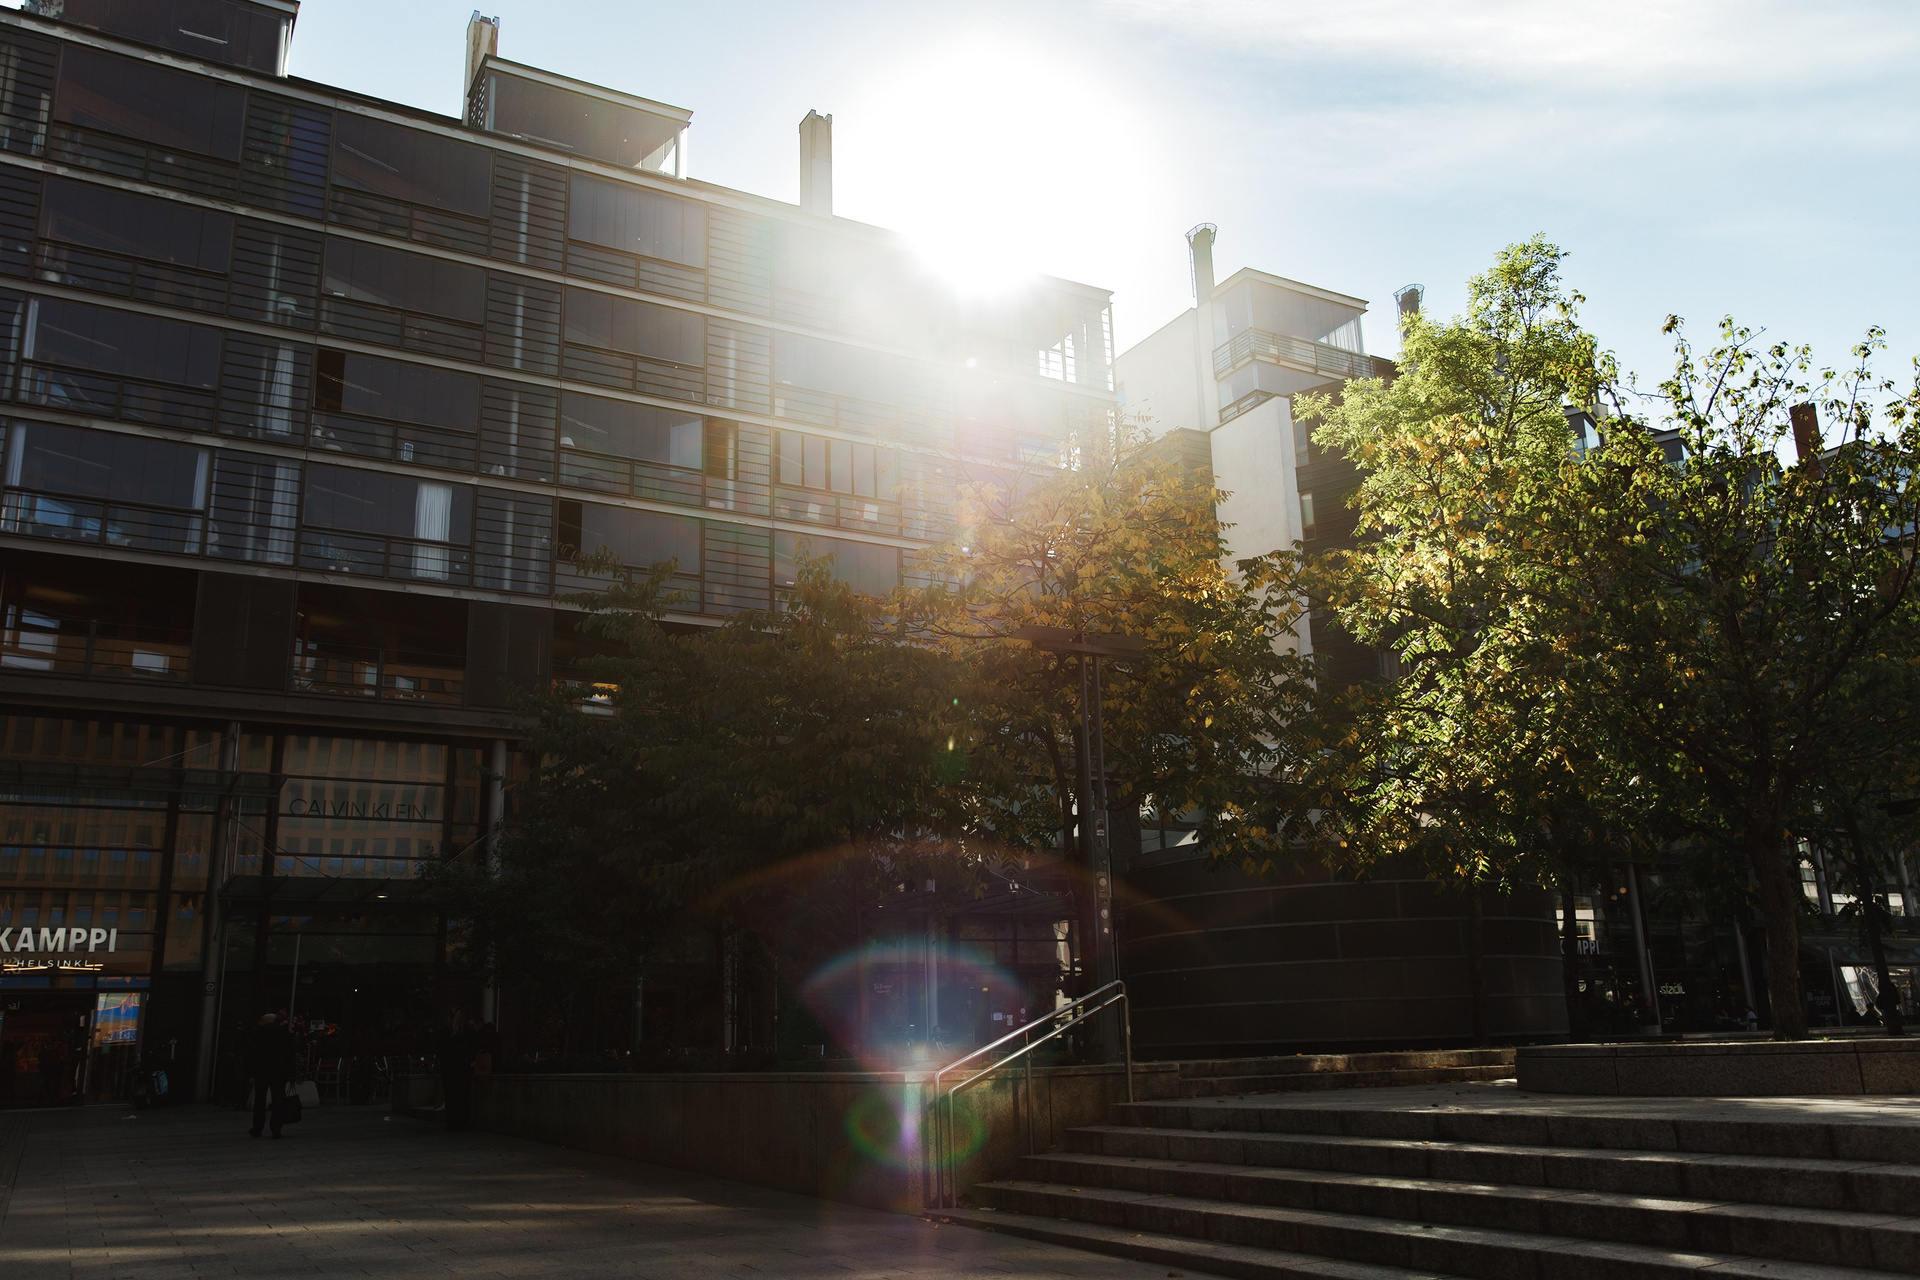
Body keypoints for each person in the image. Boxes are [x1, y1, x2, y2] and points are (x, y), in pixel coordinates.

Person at [247, 1012, 295, 1139]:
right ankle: (276, 1128)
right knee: (278, 1099)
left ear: (263, 1021)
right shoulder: (284, 1033)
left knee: (260, 1100)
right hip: (279, 1071)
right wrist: (291, 1072)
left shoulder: (258, 1033)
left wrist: (251, 1073)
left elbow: (252, 1053)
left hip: (261, 1071)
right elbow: (290, 1053)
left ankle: (258, 1128)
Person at [437, 1011, 478, 1131]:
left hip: (448, 1068)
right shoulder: (469, 1032)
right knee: (463, 1096)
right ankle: (463, 1121)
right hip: (463, 1068)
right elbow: (474, 1048)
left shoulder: (446, 1032)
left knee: (450, 1096)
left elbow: (440, 1049)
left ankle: (452, 1121)